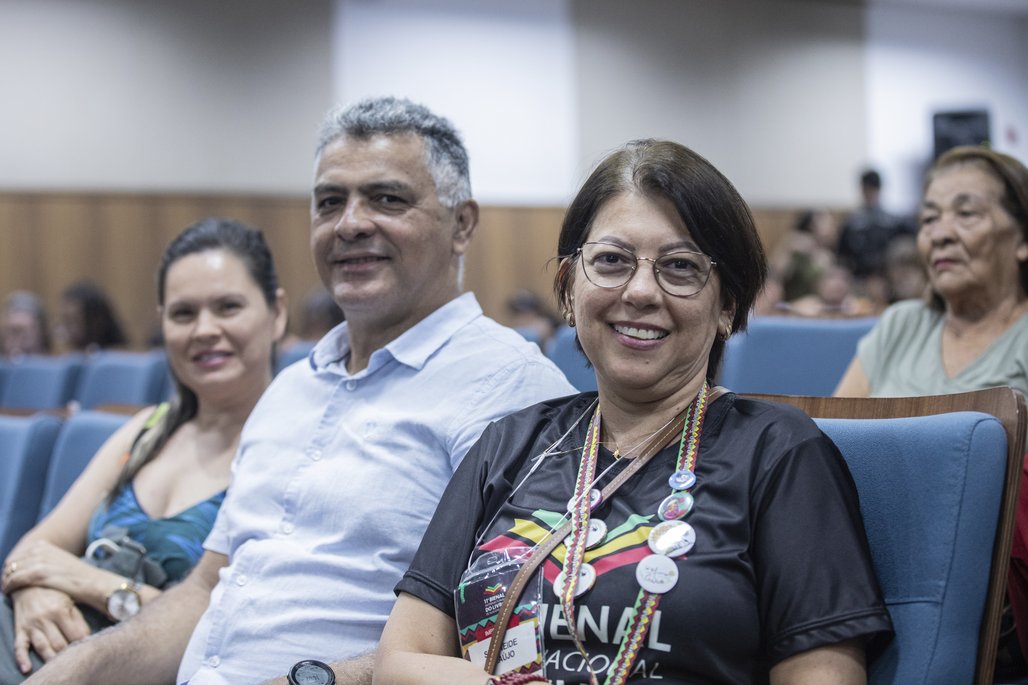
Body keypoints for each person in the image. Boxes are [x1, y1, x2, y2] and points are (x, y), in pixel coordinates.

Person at [24, 96, 574, 685]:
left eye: (387, 198)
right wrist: (74, 670)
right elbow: (206, 589)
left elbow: (509, 637)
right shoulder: (290, 389)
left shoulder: (516, 391)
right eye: (330, 202)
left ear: (461, 224)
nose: (351, 223)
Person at [377, 140, 893, 685]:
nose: (641, 291)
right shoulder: (509, 445)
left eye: (679, 266)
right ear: (568, 291)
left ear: (727, 307)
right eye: (612, 261)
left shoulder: (779, 453)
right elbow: (400, 661)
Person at [1, 218, 288, 681]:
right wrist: (36, 592)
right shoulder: (146, 429)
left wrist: (88, 582)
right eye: (183, 313)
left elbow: (225, 625)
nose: (204, 329)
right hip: (42, 647)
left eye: (228, 307)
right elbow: (32, 549)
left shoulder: (293, 447)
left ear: (276, 313)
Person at [834, 145, 1028, 675]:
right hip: (864, 578)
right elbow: (825, 450)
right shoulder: (901, 326)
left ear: (1023, 239)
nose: (939, 233)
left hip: (993, 601)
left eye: (966, 213)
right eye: (928, 218)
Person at [836, 168, 915, 285]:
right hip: (860, 280)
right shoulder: (853, 224)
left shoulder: (894, 223)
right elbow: (842, 256)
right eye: (866, 190)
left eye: (871, 190)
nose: (869, 194)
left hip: (888, 280)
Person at [54, 281, 129, 353]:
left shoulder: (117, 359)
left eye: (72, 321)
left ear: (95, 322)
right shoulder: (62, 358)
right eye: (63, 321)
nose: (64, 329)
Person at [0, 292, 51, 359]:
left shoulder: (60, 367)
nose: (17, 342)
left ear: (42, 333)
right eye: (12, 333)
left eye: (24, 335)